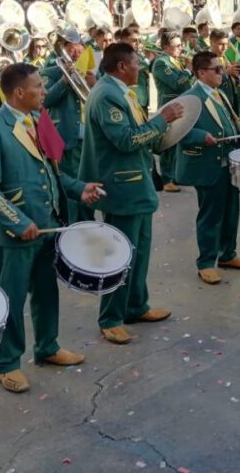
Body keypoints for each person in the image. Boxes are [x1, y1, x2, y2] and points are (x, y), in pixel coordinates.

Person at [0, 63, 102, 393]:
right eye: (39, 87)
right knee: (12, 298)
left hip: (48, 225)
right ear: (18, 93)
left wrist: (78, 188)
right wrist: (16, 221)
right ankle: (7, 363)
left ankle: (48, 346)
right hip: (19, 232)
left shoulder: (35, 121)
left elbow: (50, 173)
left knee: (46, 290)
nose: (45, 91)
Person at [80, 43, 183, 345]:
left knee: (139, 252)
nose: (142, 67)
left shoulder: (123, 91)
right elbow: (126, 140)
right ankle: (110, 318)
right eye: (137, 63)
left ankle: (136, 306)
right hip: (122, 186)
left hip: (136, 184)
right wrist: (163, 119)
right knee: (120, 255)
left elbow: (139, 135)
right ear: (122, 66)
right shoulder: (107, 95)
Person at [175, 51, 240, 284]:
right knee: (210, 215)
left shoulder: (220, 95)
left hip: (229, 165)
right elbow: (175, 130)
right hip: (207, 166)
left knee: (231, 211)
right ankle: (205, 262)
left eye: (221, 68)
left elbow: (234, 124)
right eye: (216, 69)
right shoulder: (189, 98)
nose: (221, 73)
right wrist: (199, 136)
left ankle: (228, 254)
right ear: (201, 73)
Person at [42, 28, 93, 224]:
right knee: (72, 189)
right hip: (67, 138)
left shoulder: (90, 71)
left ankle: (87, 226)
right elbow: (45, 101)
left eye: (78, 48)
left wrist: (94, 82)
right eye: (70, 48)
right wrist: (64, 81)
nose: (75, 52)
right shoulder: (50, 72)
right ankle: (72, 228)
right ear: (61, 49)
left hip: (88, 138)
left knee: (88, 184)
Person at [151, 31, 193, 193]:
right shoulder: (161, 63)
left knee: (178, 142)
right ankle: (167, 178)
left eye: (180, 45)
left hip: (180, 104)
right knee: (168, 143)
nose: (181, 49)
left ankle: (176, 175)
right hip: (169, 105)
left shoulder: (175, 61)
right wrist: (189, 70)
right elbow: (177, 84)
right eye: (177, 46)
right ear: (166, 47)